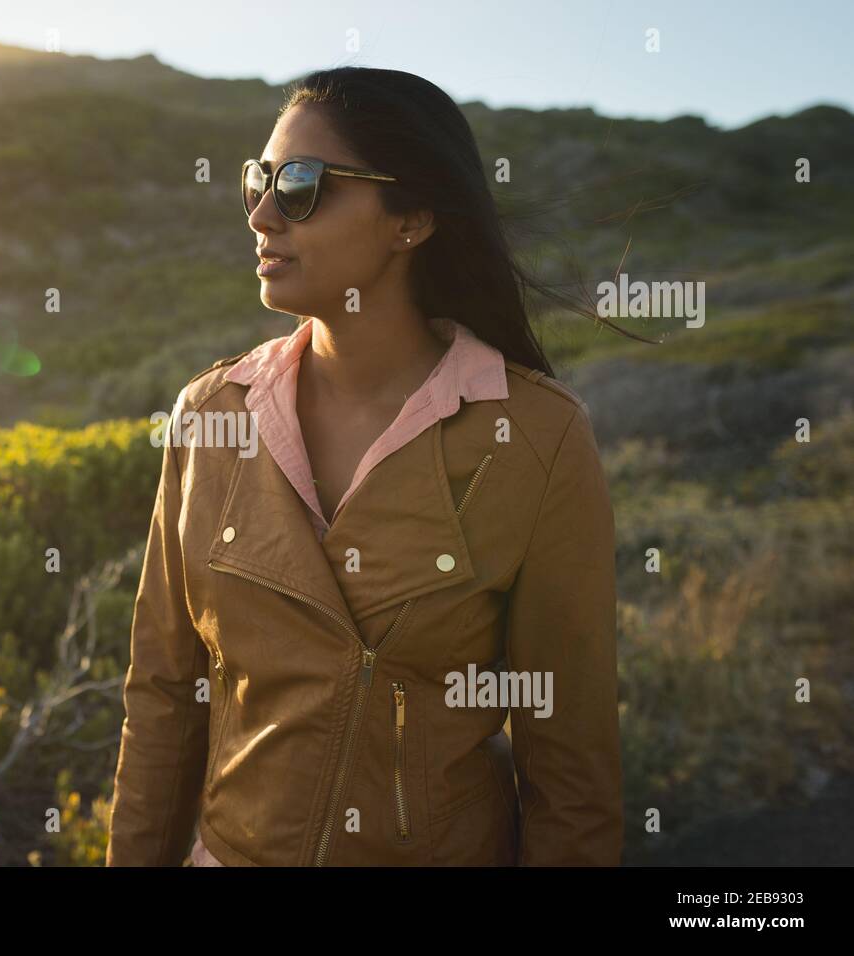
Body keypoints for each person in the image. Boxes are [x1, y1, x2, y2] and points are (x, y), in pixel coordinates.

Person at [105, 67, 625, 867]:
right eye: (259, 180)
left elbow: (570, 767)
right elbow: (165, 699)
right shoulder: (211, 415)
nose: (263, 213)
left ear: (411, 219)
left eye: (304, 185)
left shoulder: (538, 437)